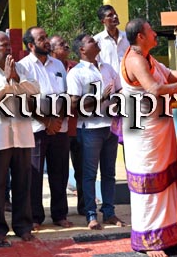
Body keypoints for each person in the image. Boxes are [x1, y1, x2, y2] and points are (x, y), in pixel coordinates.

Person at [121, 19, 177, 257]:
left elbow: (170, 75)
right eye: (151, 31)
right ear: (140, 37)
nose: (155, 33)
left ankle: (168, 235)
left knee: (167, 181)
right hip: (144, 131)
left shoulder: (148, 57)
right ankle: (149, 241)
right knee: (150, 183)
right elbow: (155, 88)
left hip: (159, 127)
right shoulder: (134, 60)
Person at [0, 31, 36, 246]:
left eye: (9, 45)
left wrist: (16, 78)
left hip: (22, 134)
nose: (9, 49)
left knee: (23, 183)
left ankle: (23, 226)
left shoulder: (22, 68)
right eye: (4, 45)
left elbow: (35, 91)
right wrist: (6, 80)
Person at [17, 26, 72, 229]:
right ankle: (35, 217)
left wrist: (56, 120)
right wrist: (46, 122)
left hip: (60, 128)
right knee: (34, 175)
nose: (47, 41)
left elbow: (67, 95)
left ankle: (59, 215)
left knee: (60, 173)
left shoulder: (57, 64)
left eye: (47, 37)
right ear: (31, 45)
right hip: (35, 129)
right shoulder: (22, 67)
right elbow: (23, 101)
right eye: (42, 39)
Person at [68, 34, 122, 230]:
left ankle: (109, 212)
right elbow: (74, 104)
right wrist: (101, 98)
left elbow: (119, 91)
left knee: (109, 173)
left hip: (110, 127)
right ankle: (91, 215)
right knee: (89, 174)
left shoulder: (107, 68)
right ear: (82, 50)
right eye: (91, 41)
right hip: (89, 129)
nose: (96, 42)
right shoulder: (76, 73)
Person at [49, 34, 82, 215]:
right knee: (58, 173)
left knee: (82, 171)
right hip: (56, 128)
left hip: (77, 126)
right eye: (62, 44)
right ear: (52, 49)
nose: (67, 45)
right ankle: (57, 212)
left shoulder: (75, 67)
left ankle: (85, 208)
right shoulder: (47, 69)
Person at [94, 5, 129, 74]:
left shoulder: (128, 37)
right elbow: (95, 65)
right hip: (109, 83)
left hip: (128, 82)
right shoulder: (96, 41)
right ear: (102, 21)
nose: (115, 16)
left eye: (115, 13)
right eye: (110, 15)